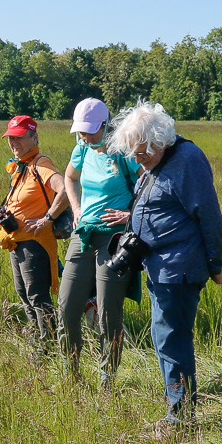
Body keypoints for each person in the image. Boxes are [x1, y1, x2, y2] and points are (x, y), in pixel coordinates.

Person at [107, 100, 222, 426]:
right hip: (160, 265)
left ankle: (180, 418)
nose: (137, 160)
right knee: (164, 336)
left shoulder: (187, 160)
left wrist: (216, 264)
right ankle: (176, 405)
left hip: (179, 266)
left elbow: (210, 216)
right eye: (132, 154)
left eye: (142, 153)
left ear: (161, 141)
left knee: (170, 338)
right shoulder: (157, 162)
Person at [58, 97, 140, 384]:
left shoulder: (125, 152)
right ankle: (72, 376)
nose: (85, 136)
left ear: (106, 125)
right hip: (83, 236)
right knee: (67, 307)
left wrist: (130, 213)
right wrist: (76, 209)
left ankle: (108, 378)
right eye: (81, 131)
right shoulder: (81, 148)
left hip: (114, 239)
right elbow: (69, 178)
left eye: (91, 131)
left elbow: (149, 186)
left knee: (108, 312)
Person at [0, 115, 68, 345]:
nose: (14, 143)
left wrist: (47, 218)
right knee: (24, 295)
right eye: (11, 138)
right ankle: (39, 339)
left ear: (34, 137)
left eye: (20, 137)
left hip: (36, 242)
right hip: (17, 242)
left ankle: (49, 346)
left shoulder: (41, 164)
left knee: (38, 297)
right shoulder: (22, 166)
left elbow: (63, 189)